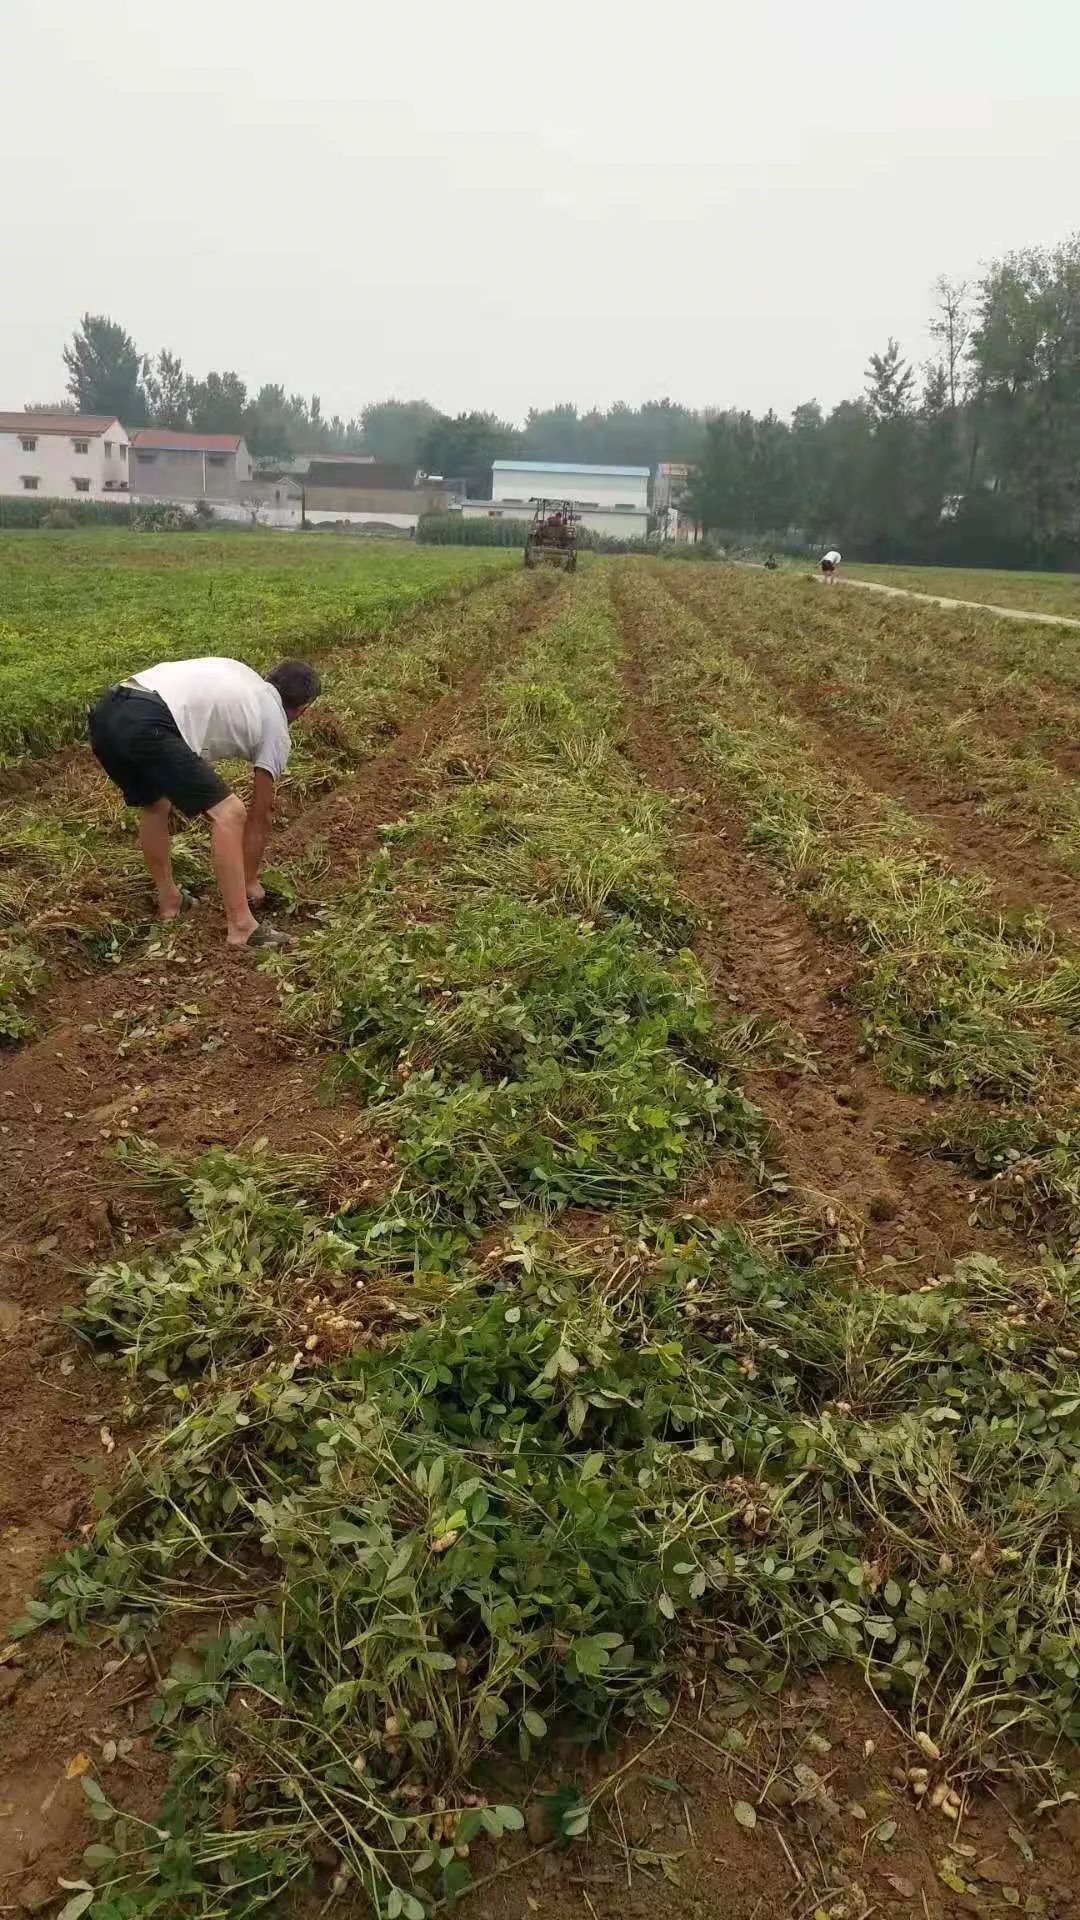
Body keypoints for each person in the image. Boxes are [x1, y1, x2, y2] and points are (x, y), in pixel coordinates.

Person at [88, 656, 321, 949]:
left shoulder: (242, 677)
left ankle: (169, 900)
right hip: (149, 720)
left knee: (156, 804)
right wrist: (250, 881)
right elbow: (262, 814)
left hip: (108, 712)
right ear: (302, 709)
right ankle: (241, 926)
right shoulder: (275, 724)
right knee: (231, 813)